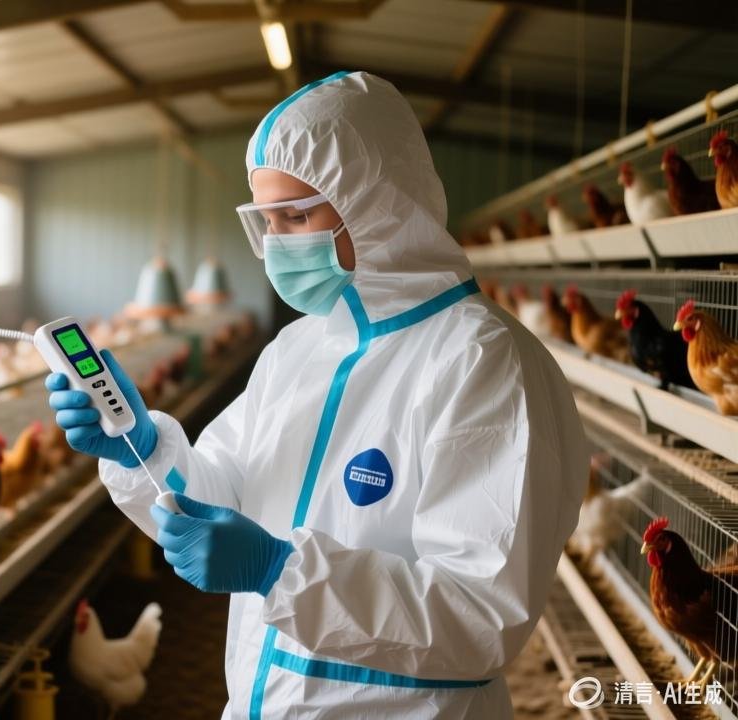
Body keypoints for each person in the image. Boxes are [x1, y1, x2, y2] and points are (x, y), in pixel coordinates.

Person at [46, 71, 588, 718]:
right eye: (267, 222)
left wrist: (282, 573)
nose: (280, 245)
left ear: (378, 203)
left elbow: (478, 616)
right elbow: (225, 493)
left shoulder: (482, 362)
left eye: (297, 216)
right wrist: (145, 451)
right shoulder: (297, 352)